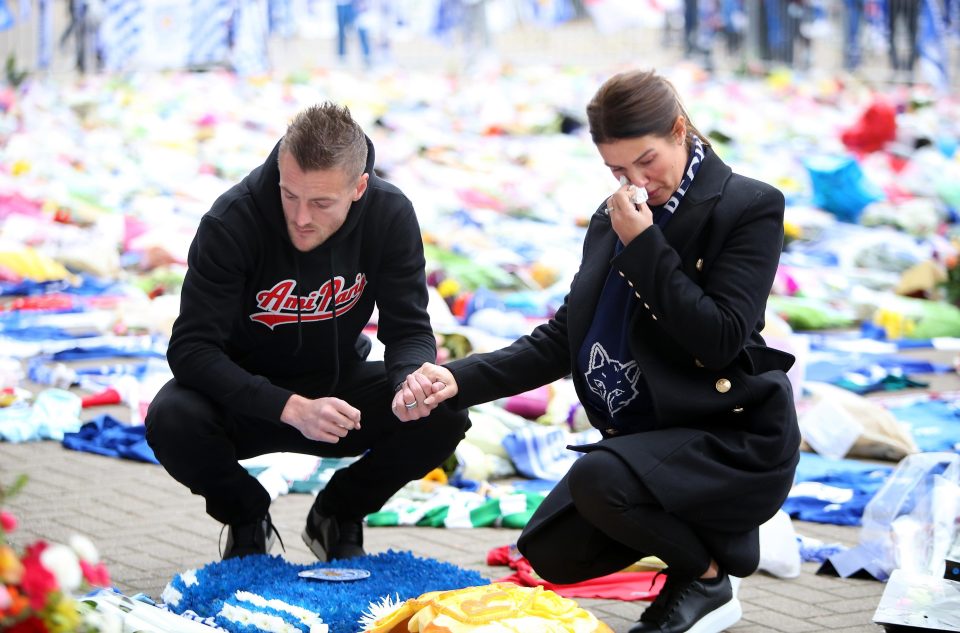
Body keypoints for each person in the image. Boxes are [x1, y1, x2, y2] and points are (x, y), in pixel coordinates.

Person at [399, 70, 800, 633]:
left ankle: (707, 577)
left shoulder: (746, 206)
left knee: (599, 482)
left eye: (647, 161)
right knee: (551, 551)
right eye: (617, 169)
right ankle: (701, 551)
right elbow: (567, 338)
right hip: (650, 435)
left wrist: (645, 246)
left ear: (679, 130)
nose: (636, 181)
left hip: (730, 433)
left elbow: (720, 338)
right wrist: (459, 379)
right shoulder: (614, 217)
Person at [144, 102, 470, 561]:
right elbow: (192, 350)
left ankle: (339, 512)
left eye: (320, 203)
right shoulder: (232, 220)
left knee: (443, 410)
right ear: (280, 170)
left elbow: (410, 329)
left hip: (338, 387)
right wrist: (288, 407)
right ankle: (246, 517)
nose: (300, 218)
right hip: (243, 395)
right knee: (171, 418)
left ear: (358, 187)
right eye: (289, 195)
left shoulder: (389, 214)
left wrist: (409, 380)